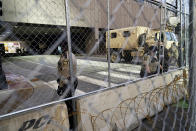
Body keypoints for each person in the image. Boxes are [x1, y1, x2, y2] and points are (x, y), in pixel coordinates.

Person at [56, 44, 78, 130]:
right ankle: (74, 124)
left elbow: (65, 72)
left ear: (65, 47)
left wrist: (61, 86)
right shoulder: (70, 54)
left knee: (69, 106)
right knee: (70, 103)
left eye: (60, 47)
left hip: (67, 83)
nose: (59, 48)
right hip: (72, 80)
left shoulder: (66, 57)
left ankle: (73, 126)